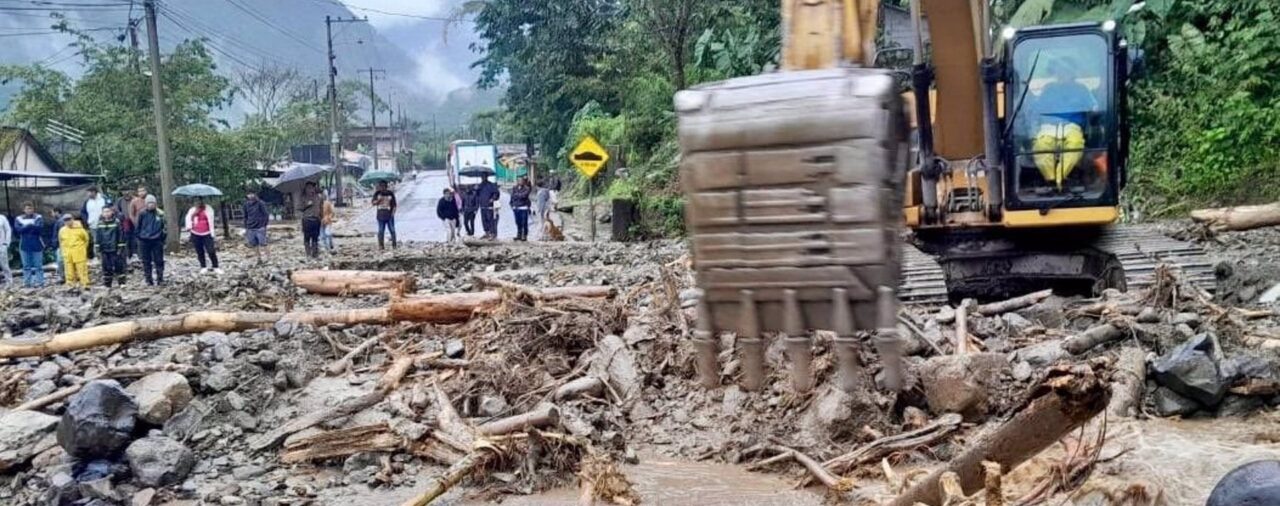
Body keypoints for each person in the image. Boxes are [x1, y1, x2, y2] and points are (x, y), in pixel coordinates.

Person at [183, 197, 221, 273]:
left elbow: (211, 220)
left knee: (211, 250)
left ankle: (215, 266)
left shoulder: (208, 209)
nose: (198, 203)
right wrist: (194, 214)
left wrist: (212, 233)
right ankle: (203, 266)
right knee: (199, 250)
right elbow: (188, 219)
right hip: (195, 233)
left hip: (207, 233)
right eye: (196, 201)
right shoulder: (192, 210)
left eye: (200, 201)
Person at [136, 195, 167, 285]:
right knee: (146, 261)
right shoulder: (142, 213)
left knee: (159, 260)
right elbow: (138, 226)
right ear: (146, 204)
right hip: (144, 240)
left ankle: (160, 279)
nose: (151, 205)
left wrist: (162, 237)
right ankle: (148, 279)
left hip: (157, 240)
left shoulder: (160, 214)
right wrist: (140, 236)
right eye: (149, 203)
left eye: (152, 203)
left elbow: (164, 227)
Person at [14, 203, 46, 288]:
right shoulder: (19, 218)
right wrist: (30, 226)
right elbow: (18, 230)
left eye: (31, 208)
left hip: (37, 244)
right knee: (26, 266)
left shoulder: (38, 217)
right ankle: (27, 283)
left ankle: (40, 283)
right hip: (24, 245)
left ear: (33, 209)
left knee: (38, 266)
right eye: (27, 209)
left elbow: (39, 229)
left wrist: (25, 228)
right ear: (24, 210)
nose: (29, 210)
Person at [94, 207, 126, 287]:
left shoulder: (117, 222)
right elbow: (98, 237)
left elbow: (121, 235)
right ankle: (107, 284)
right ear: (102, 213)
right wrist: (97, 249)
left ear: (112, 212)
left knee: (118, 265)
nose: (106, 213)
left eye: (108, 211)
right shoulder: (100, 224)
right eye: (104, 212)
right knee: (106, 266)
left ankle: (121, 283)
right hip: (104, 249)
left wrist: (120, 247)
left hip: (114, 248)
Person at [59, 214, 90, 289]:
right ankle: (70, 285)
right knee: (68, 270)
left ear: (72, 219)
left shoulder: (80, 229)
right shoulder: (62, 230)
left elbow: (86, 240)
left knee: (82, 270)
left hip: (79, 252)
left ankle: (85, 285)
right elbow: (61, 242)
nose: (67, 222)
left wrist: (82, 248)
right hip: (67, 253)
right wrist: (63, 251)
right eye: (66, 220)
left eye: (69, 220)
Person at [298, 181, 324, 258]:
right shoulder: (303, 198)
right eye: (308, 188)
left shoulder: (318, 197)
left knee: (315, 237)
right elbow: (299, 208)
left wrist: (322, 219)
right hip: (306, 220)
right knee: (307, 238)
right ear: (305, 189)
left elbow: (321, 208)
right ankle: (308, 253)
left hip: (316, 220)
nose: (309, 190)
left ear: (314, 188)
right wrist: (306, 205)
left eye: (311, 188)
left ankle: (315, 253)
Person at [242, 192, 270, 262]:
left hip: (260, 227)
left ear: (255, 194)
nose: (250, 195)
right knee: (254, 244)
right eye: (249, 194)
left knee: (263, 243)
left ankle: (268, 258)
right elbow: (245, 216)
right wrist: (246, 226)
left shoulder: (260, 203)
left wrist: (264, 225)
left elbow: (266, 214)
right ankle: (259, 258)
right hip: (250, 227)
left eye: (252, 194)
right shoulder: (246, 205)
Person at [82, 187, 107, 260]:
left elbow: (110, 208)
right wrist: (87, 220)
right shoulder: (87, 202)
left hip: (104, 224)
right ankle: (97, 256)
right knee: (96, 241)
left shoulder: (103, 199)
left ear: (94, 192)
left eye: (89, 192)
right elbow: (83, 212)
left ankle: (105, 256)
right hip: (93, 225)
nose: (88, 194)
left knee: (105, 240)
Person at [371, 181, 397, 250]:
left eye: (383, 186)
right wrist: (378, 201)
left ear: (386, 187)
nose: (382, 188)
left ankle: (394, 245)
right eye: (380, 186)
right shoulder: (377, 194)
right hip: (380, 216)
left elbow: (394, 205)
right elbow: (373, 203)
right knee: (381, 231)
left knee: (392, 230)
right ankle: (381, 246)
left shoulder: (390, 194)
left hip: (389, 216)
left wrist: (393, 213)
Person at [476, 174, 500, 240]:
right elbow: (477, 195)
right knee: (484, 220)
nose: (483, 178)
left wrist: (493, 198)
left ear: (486, 177)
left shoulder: (491, 185)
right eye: (482, 177)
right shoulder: (480, 186)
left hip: (489, 206)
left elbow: (496, 193)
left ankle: (492, 234)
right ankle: (487, 233)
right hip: (482, 205)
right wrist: (476, 189)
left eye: (484, 177)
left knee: (491, 220)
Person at [510, 177, 532, 241]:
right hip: (516, 207)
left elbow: (524, 196)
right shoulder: (514, 188)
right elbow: (512, 196)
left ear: (524, 182)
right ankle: (519, 234)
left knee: (524, 222)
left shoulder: (527, 188)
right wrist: (512, 204)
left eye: (522, 181)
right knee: (518, 222)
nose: (520, 182)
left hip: (524, 207)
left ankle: (524, 235)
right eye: (519, 180)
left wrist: (517, 195)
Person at [116, 193, 136, 260]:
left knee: (135, 238)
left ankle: (135, 254)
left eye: (128, 191)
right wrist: (121, 217)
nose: (126, 193)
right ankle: (127, 255)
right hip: (125, 222)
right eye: (124, 191)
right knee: (126, 239)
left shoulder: (135, 199)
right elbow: (117, 210)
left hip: (135, 222)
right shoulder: (120, 200)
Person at [49, 209, 66, 284]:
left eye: (52, 213)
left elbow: (59, 235)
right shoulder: (58, 221)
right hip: (60, 245)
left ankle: (62, 277)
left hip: (61, 245)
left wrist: (56, 244)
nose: (51, 215)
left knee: (60, 261)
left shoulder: (60, 222)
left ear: (56, 212)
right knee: (61, 261)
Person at [0, 212, 11, 287]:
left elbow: (8, 230)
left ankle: (9, 281)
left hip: (1, 245)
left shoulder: (2, 218)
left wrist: (6, 243)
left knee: (4, 265)